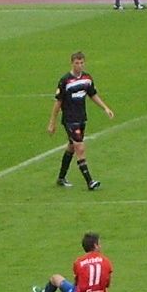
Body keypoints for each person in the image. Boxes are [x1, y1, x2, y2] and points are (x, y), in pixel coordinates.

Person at [47, 51, 114, 191]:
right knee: (80, 148)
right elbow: (58, 103)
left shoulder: (87, 78)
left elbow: (93, 95)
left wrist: (105, 108)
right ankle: (90, 182)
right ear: (72, 63)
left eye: (82, 63)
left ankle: (61, 178)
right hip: (70, 119)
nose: (79, 65)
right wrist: (52, 122)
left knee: (72, 146)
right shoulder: (65, 80)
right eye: (77, 63)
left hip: (81, 118)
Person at [32, 232, 113, 292]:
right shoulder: (106, 260)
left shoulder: (79, 262)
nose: (101, 246)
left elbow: (77, 284)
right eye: (100, 244)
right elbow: (107, 284)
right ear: (95, 245)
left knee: (55, 278)